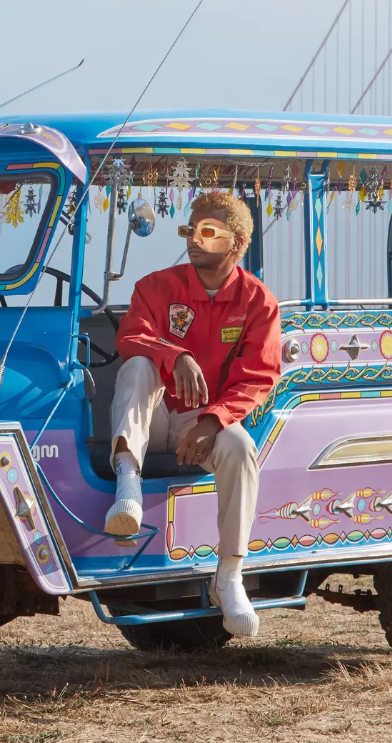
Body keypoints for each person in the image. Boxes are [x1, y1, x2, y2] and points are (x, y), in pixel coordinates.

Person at [105, 191, 281, 636]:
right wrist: (176, 354)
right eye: (190, 230)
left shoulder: (258, 301)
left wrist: (213, 420)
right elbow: (131, 337)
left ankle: (229, 575)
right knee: (139, 366)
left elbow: (258, 377)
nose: (194, 240)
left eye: (207, 232)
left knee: (241, 448)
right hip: (151, 411)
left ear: (237, 243)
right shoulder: (155, 286)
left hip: (198, 422)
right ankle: (128, 486)